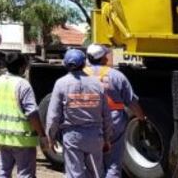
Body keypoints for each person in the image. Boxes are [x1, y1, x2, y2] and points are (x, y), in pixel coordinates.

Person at [46, 48, 111, 178]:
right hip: (95, 135)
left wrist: (51, 137)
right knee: (97, 173)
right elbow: (106, 115)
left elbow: (53, 116)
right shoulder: (98, 84)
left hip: (72, 137)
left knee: (74, 174)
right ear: (84, 63)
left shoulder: (61, 84)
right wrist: (107, 138)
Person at [84, 44, 146, 178]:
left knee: (91, 163)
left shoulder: (80, 76)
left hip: (88, 123)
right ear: (104, 58)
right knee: (113, 163)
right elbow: (131, 102)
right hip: (114, 123)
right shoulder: (117, 76)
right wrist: (141, 119)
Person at [0, 52, 48, 178]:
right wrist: (42, 134)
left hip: (2, 137)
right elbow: (32, 113)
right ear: (21, 67)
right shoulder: (23, 85)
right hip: (23, 140)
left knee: (3, 173)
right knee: (25, 174)